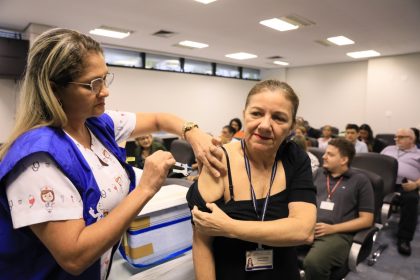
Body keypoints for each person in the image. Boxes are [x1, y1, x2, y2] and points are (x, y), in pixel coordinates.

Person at [0, 28, 224, 279]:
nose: (105, 91)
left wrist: (193, 133)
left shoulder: (96, 124)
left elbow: (161, 119)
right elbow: (74, 257)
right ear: (54, 90)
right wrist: (146, 188)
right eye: (93, 84)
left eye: (105, 78)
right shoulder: (38, 160)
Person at [187, 79, 317, 279]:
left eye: (279, 118)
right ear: (244, 115)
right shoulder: (220, 161)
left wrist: (229, 227)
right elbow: (202, 242)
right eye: (256, 113)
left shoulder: (295, 158)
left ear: (291, 125)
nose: (265, 125)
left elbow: (303, 231)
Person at [303, 138, 374, 279]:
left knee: (314, 263)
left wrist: (332, 229)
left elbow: (367, 220)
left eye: (330, 154)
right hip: (308, 227)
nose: (323, 156)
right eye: (325, 153)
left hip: (337, 234)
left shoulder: (360, 181)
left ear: (343, 160)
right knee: (276, 245)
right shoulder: (318, 174)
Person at [380, 128, 420, 256]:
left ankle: (404, 239)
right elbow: (376, 163)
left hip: (404, 185)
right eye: (396, 137)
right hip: (383, 182)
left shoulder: (418, 154)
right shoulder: (388, 149)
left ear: (411, 139)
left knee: (411, 199)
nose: (396, 139)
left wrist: (416, 184)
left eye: (401, 137)